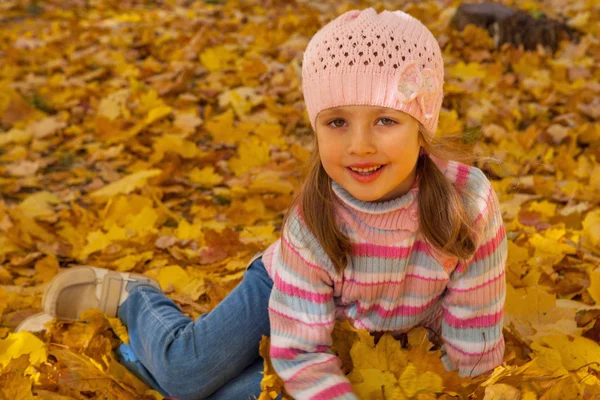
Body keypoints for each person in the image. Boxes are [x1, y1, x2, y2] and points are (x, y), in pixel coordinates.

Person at [18, 7, 507, 400]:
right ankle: (136, 300)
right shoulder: (313, 222)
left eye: (385, 120)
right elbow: (300, 353)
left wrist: (451, 388)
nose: (360, 145)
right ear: (315, 128)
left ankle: (139, 363)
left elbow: (473, 344)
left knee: (233, 395)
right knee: (188, 374)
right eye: (337, 122)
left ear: (422, 127)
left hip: (365, 341)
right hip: (283, 287)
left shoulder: (468, 203)